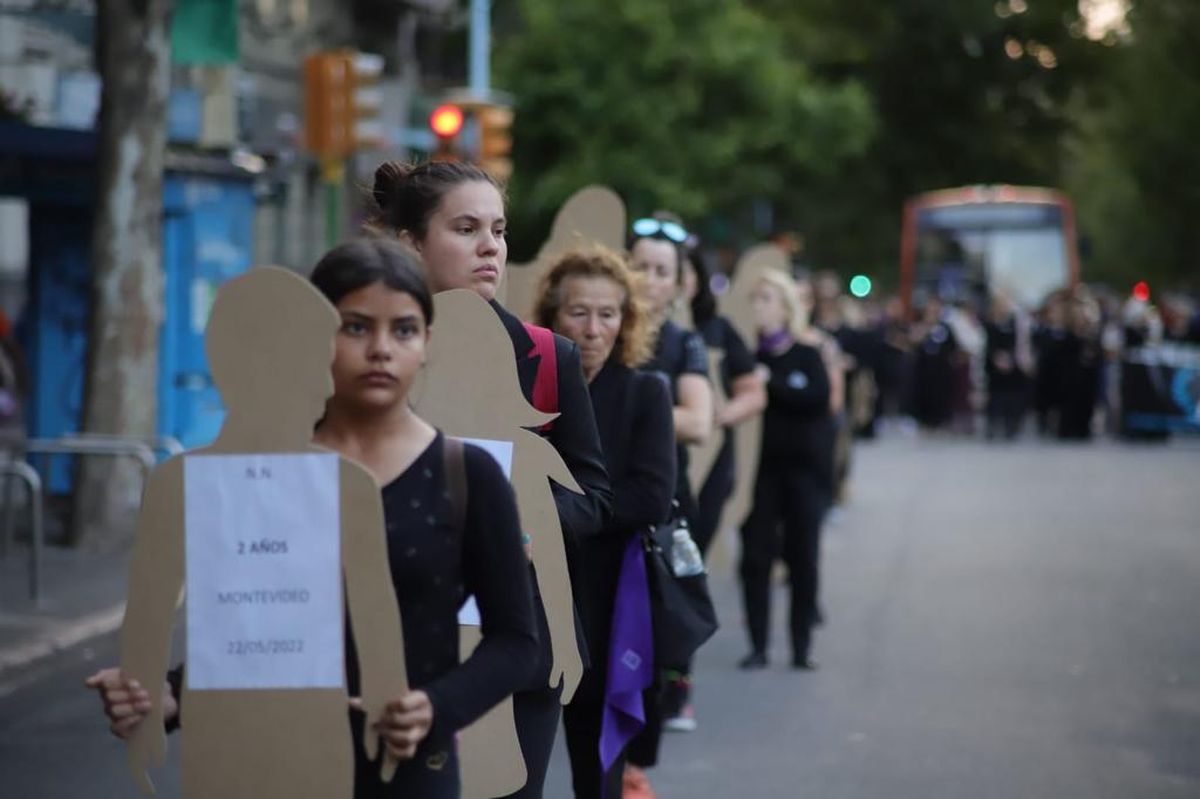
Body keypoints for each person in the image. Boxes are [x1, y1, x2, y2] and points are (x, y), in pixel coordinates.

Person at [87, 240, 539, 797]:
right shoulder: (253, 476)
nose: (381, 349)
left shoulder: (466, 474)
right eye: (355, 327)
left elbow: (517, 642)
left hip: (406, 768)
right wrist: (165, 694)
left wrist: (436, 706)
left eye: (403, 329)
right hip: (260, 767)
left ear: (427, 343)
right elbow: (246, 628)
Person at [368, 160, 612, 799]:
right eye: (467, 228)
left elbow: (592, 493)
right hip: (389, 639)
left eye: (499, 231)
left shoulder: (547, 354)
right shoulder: (367, 359)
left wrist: (518, 527)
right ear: (411, 243)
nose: (490, 247)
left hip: (516, 644)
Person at [533, 246, 676, 799]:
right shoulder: (526, 393)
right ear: (551, 315)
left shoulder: (645, 391)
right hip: (532, 590)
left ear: (626, 321)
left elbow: (652, 497)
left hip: (611, 598)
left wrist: (560, 514)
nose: (593, 329)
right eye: (578, 312)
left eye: (608, 314)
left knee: (598, 772)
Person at [623, 214, 713, 789]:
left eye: (663, 271)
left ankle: (635, 768)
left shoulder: (684, 344)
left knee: (653, 640)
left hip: (661, 507)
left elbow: (699, 421)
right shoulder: (599, 330)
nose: (650, 279)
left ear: (681, 283)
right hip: (598, 500)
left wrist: (626, 412)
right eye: (641, 266)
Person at [739, 270, 839, 671]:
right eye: (755, 299)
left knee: (803, 558)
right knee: (756, 559)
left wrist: (771, 385)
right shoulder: (746, 356)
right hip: (759, 474)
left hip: (802, 474)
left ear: (785, 307)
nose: (759, 306)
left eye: (766, 298)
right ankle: (758, 645)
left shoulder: (806, 353)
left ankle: (801, 647)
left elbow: (816, 399)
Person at [681, 249, 766, 558]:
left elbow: (753, 392)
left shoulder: (717, 328)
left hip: (710, 454)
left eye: (684, 272)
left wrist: (719, 415)